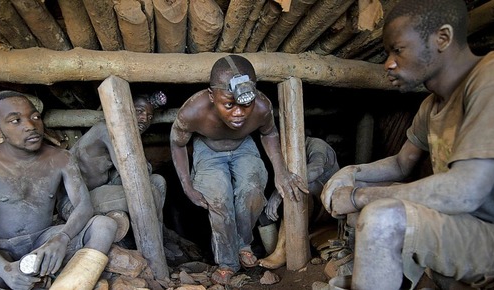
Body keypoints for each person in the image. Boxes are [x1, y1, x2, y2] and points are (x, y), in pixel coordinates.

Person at [319, 0, 494, 289]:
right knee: (370, 210)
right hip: (485, 232)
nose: (389, 63)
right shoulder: (432, 105)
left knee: (382, 218)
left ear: (443, 38)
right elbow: (401, 163)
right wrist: (351, 173)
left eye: (397, 50)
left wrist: (359, 195)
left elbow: (465, 191)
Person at [0, 90, 117, 289]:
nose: (30, 126)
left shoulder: (61, 158)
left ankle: (67, 284)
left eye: (35, 117)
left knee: (104, 226)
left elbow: (83, 206)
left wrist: (61, 238)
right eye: (15, 120)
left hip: (43, 241)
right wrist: (5, 270)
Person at [170, 54, 308, 285]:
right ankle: (227, 262)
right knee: (218, 198)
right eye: (229, 104)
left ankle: (243, 244)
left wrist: (281, 171)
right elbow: (177, 143)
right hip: (208, 149)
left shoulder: (262, 106)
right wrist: (187, 185)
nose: (239, 113)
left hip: (243, 145)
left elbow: (269, 133)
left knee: (252, 191)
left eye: (245, 104)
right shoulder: (192, 111)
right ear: (212, 96)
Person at [57, 91, 168, 243]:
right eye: (139, 111)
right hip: (75, 203)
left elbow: (142, 172)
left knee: (158, 181)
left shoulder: (126, 134)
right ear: (124, 110)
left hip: (100, 191)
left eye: (149, 116)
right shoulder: (106, 130)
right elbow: (131, 172)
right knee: (151, 192)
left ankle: (159, 238)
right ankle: (152, 245)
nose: (144, 119)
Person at [258, 136, 340, 269]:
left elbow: (316, 169)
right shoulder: (284, 156)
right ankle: (272, 248)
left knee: (298, 190)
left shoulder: (316, 144)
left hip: (329, 208)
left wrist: (279, 192)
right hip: (313, 209)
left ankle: (282, 251)